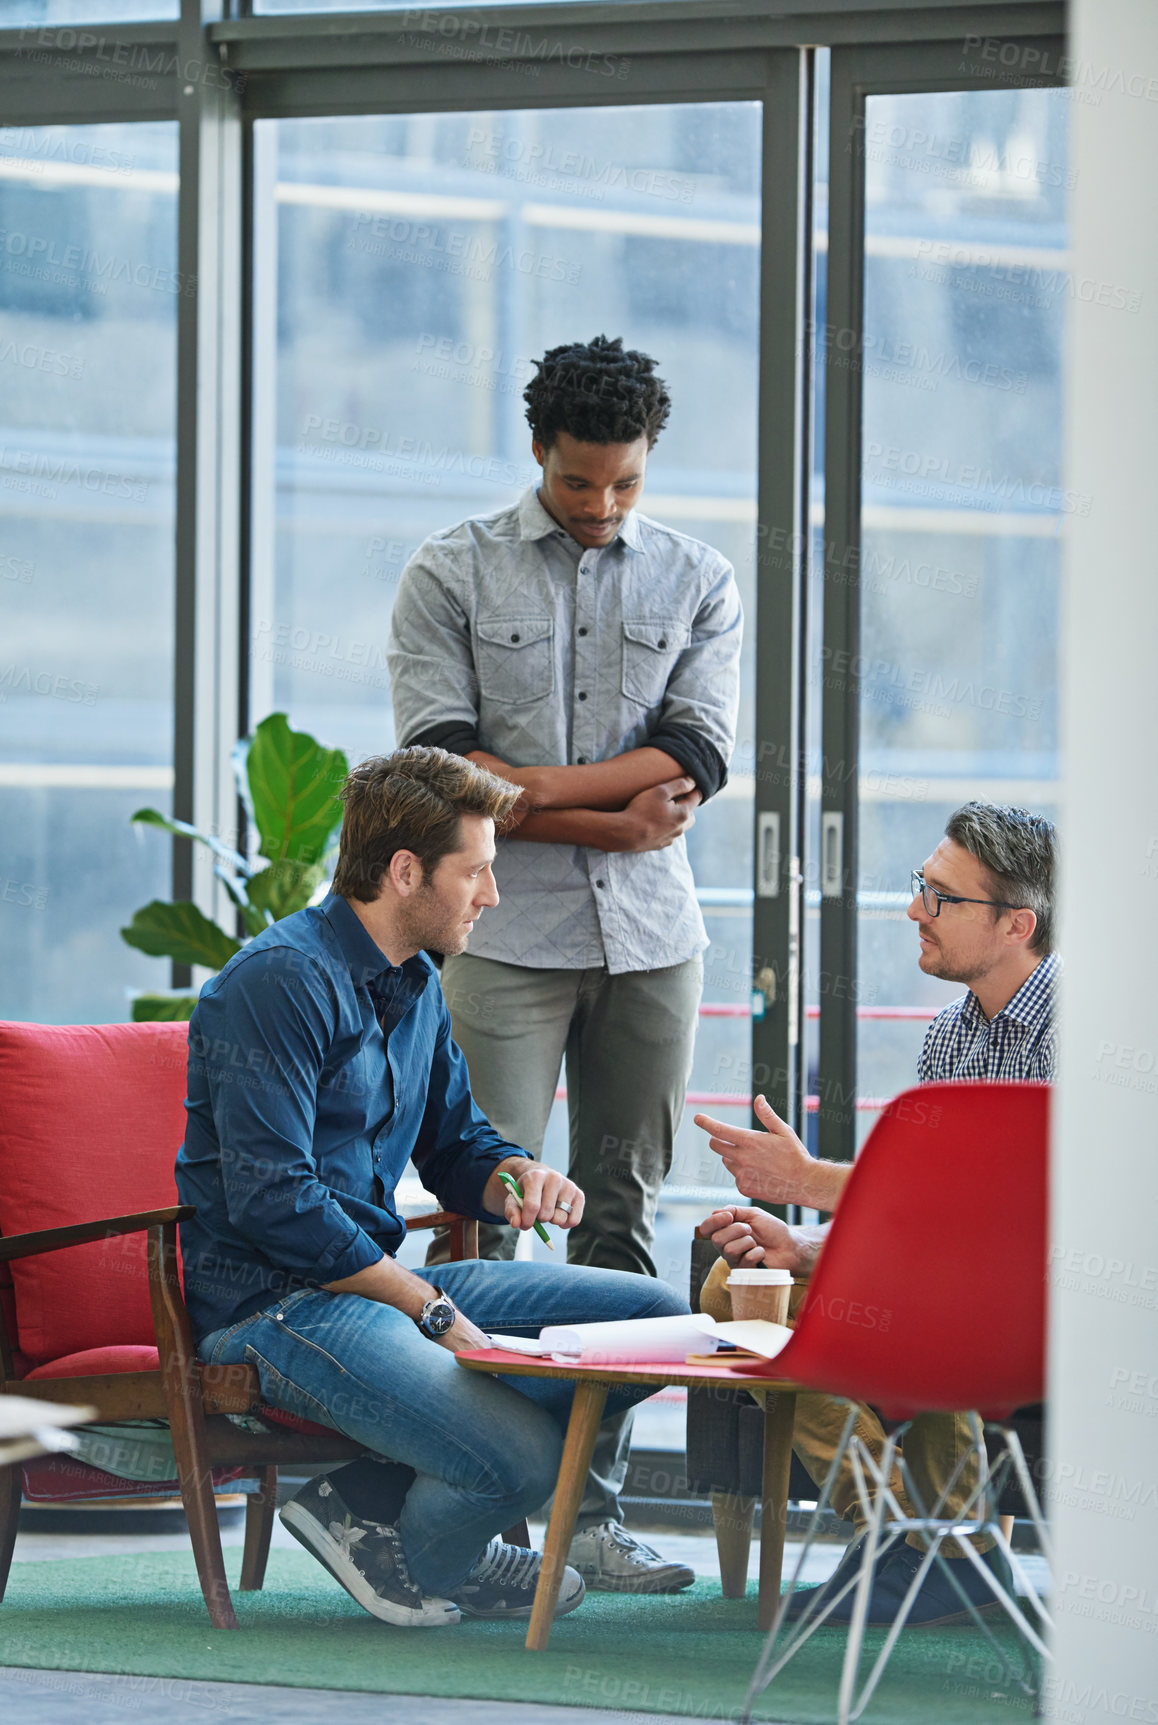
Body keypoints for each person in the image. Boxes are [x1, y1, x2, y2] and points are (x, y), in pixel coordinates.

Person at [176, 747, 690, 1629]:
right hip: (278, 1306)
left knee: (656, 1324)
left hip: (376, 1289)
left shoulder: (414, 981)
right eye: (478, 871)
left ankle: (361, 1503)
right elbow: (274, 1201)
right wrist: (426, 1308)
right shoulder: (277, 982)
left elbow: (458, 1145)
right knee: (525, 1459)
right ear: (404, 871)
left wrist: (516, 1174)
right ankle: (436, 1544)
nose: (492, 895)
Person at [387, 334, 741, 1591]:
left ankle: (592, 1512)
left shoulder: (701, 577)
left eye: (626, 484)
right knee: (483, 1209)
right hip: (504, 935)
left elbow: (695, 762)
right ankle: (472, 1508)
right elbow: (445, 776)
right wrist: (611, 812)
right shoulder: (450, 572)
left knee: (625, 1214)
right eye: (582, 481)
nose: (602, 507)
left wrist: (530, 792)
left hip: (653, 941)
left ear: (648, 464)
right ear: (541, 451)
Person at [694, 801, 1058, 1626]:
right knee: (734, 1284)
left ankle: (940, 1548)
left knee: (934, 1293)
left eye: (942, 897)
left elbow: (1017, 1208)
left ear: (1016, 925)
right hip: (953, 1271)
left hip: (1043, 1289)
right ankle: (909, 1537)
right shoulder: (948, 1039)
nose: (913, 911)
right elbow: (926, 1214)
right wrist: (807, 1243)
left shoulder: (1077, 1027)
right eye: (919, 887)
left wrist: (810, 1178)